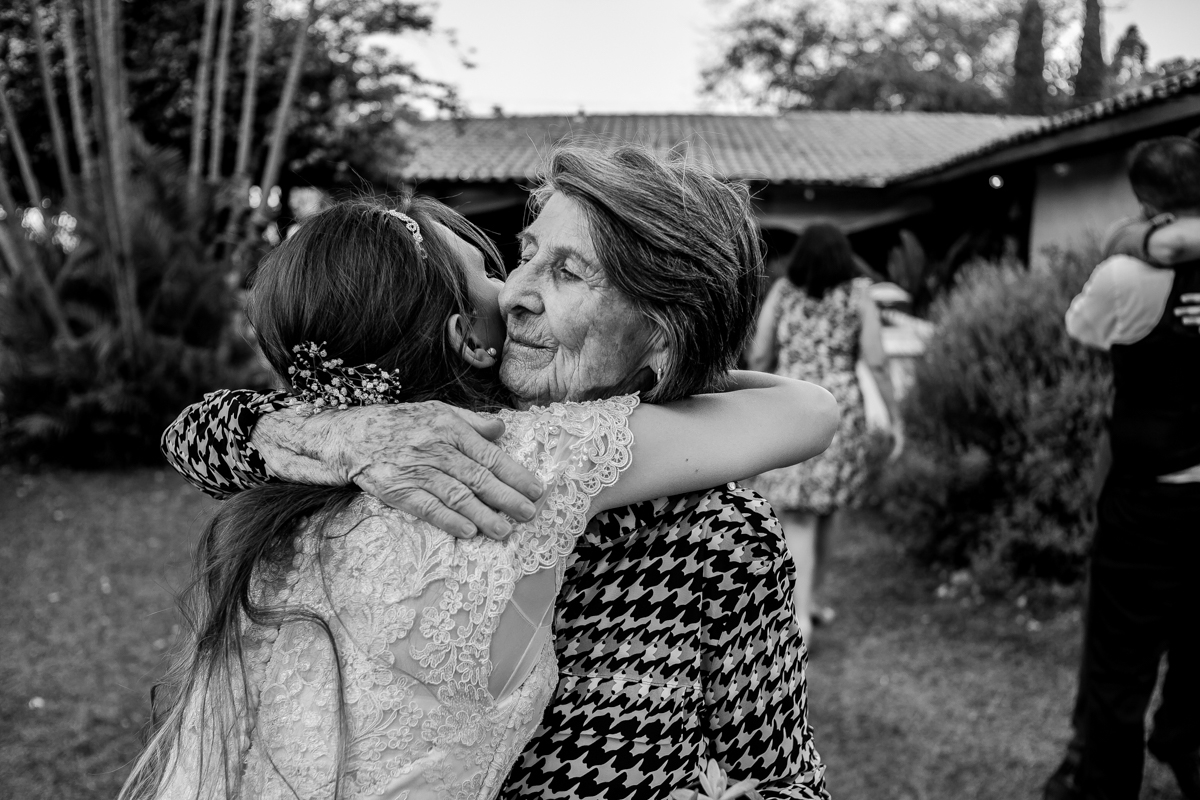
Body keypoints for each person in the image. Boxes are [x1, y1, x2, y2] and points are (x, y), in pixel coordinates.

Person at [154, 144, 834, 799]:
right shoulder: (407, 450)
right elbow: (196, 433)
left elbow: (786, 782)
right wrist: (342, 435)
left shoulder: (720, 537)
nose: (514, 295)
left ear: (662, 328)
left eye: (568, 272)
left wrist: (683, 386)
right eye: (525, 255)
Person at [1053, 135, 1200, 800]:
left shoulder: (1125, 271)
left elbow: (1081, 329)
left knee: (1119, 659)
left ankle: (1106, 785)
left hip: (1149, 496)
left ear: (1144, 198)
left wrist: (1128, 241)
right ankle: (1185, 741)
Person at [745, 223, 899, 643]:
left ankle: (800, 616)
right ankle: (806, 608)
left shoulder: (783, 292)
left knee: (799, 516)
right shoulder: (859, 294)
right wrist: (896, 416)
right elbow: (877, 361)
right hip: (838, 413)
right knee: (825, 512)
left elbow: (759, 353)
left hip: (791, 406)